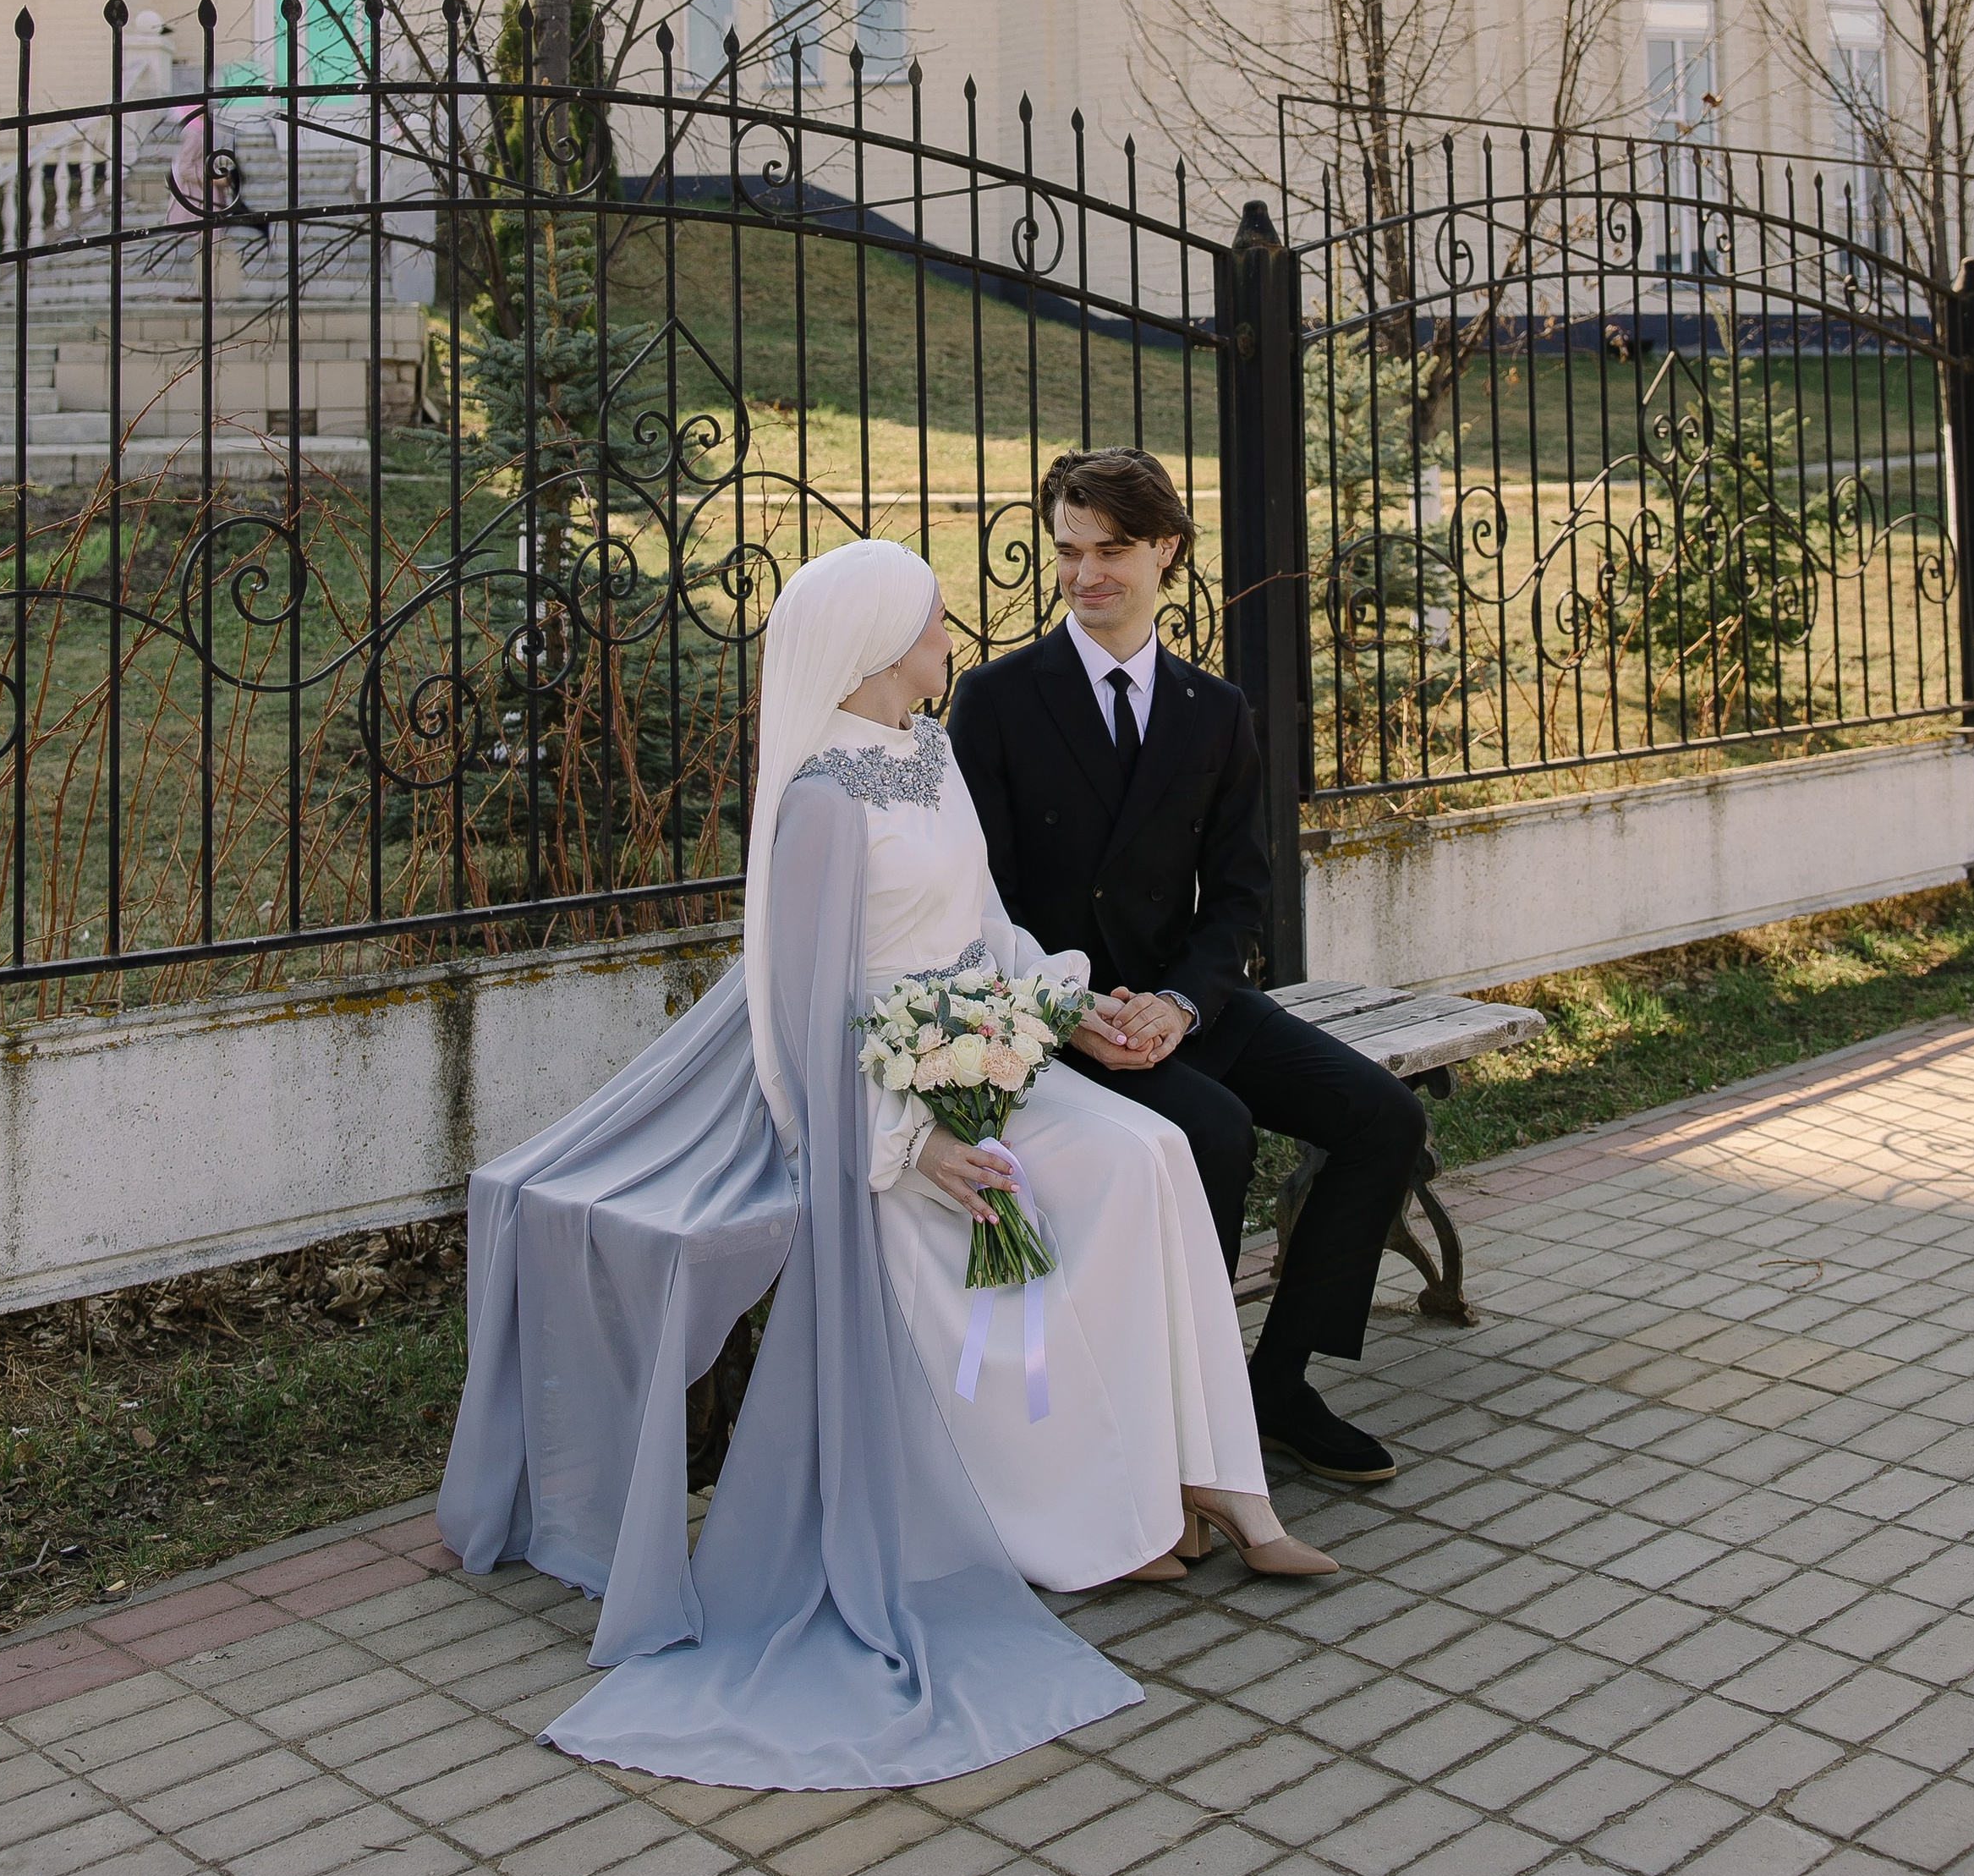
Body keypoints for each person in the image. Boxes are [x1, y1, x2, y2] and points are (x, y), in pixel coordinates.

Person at [436, 536, 1323, 1797]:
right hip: (882, 1109)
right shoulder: (819, 801)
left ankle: (1187, 1482)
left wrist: (1062, 1008)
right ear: (875, 645)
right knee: (1030, 1205)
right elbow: (805, 1017)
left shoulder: (929, 753)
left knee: (1153, 1153)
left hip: (985, 1051)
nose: (952, 637)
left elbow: (985, 929)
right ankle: (1075, 1526)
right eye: (935, 619)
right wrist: (919, 1144)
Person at [948, 447, 1429, 1487]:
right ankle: (1179, 1404)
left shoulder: (1216, 711)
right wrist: (1066, 1007)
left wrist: (1179, 1002)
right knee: (1213, 1130)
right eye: (1068, 551)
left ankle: (1278, 1382)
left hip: (1184, 1001)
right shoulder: (995, 699)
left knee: (1383, 1116)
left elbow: (1242, 895)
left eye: (1110, 549)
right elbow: (974, 900)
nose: (1084, 575)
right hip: (1062, 1013)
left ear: (1166, 548)